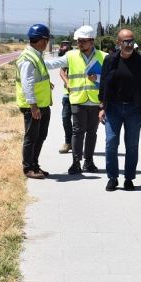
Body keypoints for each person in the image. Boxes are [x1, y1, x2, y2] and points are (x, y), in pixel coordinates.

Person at [98, 29, 141, 191]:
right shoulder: (110, 60)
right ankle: (112, 177)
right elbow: (103, 84)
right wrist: (102, 107)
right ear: (118, 43)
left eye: (131, 41)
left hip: (133, 109)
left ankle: (129, 178)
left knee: (131, 145)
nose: (129, 44)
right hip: (113, 108)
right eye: (126, 41)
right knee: (111, 143)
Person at [16, 24, 68, 179]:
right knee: (31, 138)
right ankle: (28, 168)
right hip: (33, 107)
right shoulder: (28, 59)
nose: (47, 43)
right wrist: (33, 106)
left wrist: (47, 84)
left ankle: (35, 165)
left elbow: (38, 78)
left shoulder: (36, 55)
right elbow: (27, 84)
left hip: (42, 105)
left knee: (40, 136)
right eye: (47, 40)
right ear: (41, 40)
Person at [60, 26, 107, 175]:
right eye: (78, 41)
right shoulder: (71, 55)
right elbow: (59, 68)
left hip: (95, 101)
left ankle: (88, 161)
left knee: (92, 133)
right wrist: (67, 83)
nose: (79, 44)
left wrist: (97, 79)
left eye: (83, 41)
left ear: (92, 42)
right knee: (77, 132)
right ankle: (75, 162)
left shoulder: (104, 57)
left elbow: (109, 79)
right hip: (78, 100)